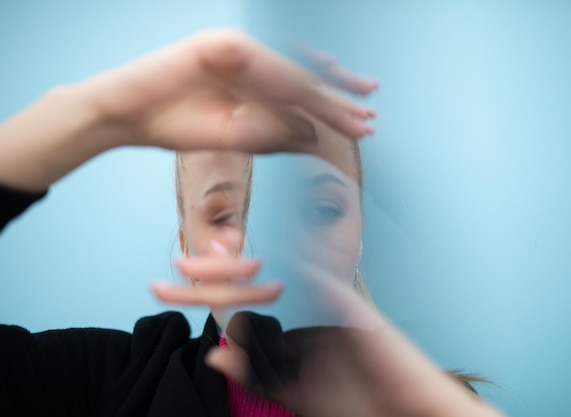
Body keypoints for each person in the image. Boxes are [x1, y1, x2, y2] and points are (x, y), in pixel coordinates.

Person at [0, 30, 503, 417]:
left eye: (319, 209)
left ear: (359, 237)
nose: (274, 251)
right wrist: (92, 115)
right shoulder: (99, 385)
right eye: (224, 216)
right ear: (188, 253)